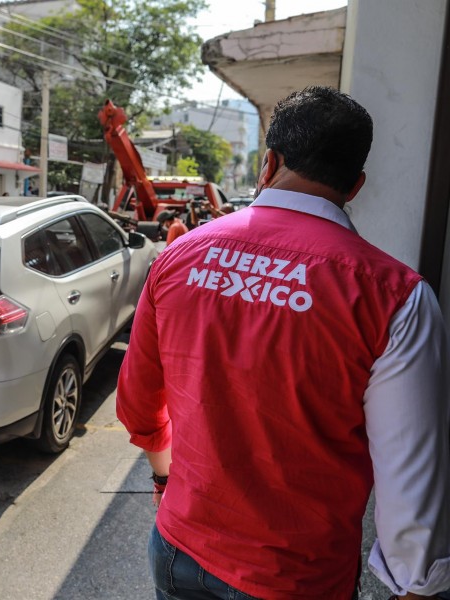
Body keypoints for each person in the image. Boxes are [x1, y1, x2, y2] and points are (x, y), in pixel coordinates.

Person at [116, 86, 450, 600]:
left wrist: (166, 485)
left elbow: (139, 406)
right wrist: (417, 588)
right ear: (356, 185)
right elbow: (410, 480)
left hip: (178, 549)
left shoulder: (180, 256)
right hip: (293, 578)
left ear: (268, 163)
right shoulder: (394, 296)